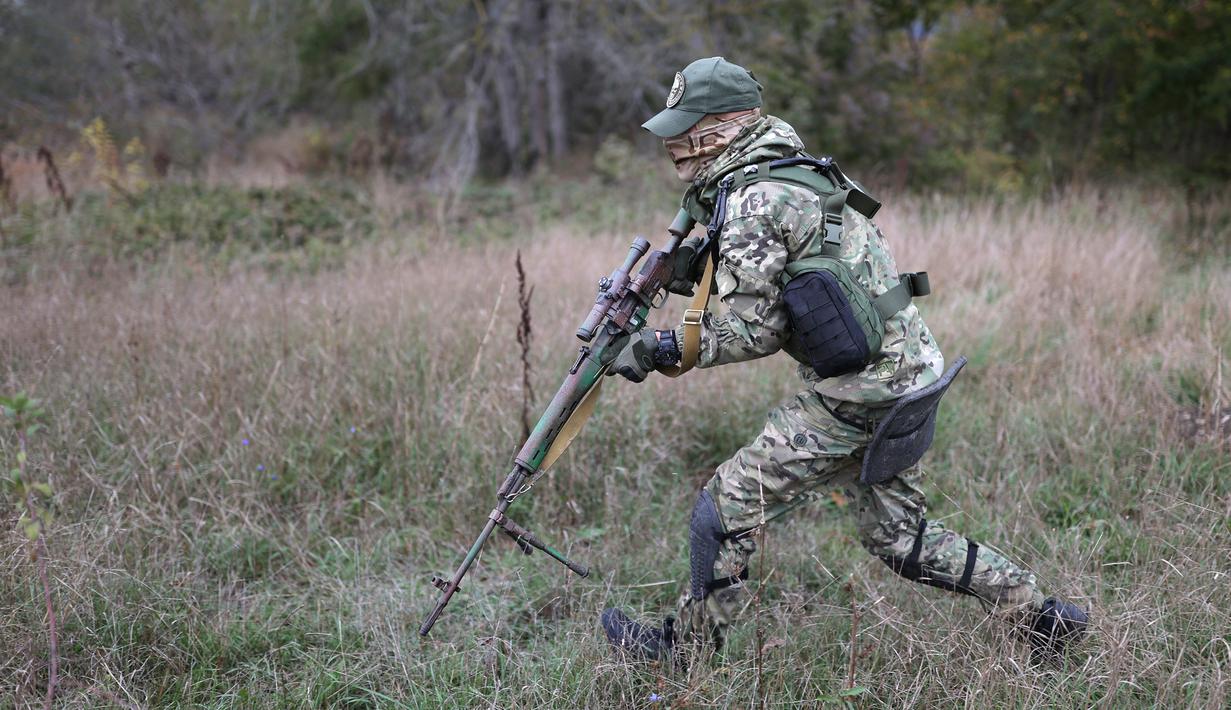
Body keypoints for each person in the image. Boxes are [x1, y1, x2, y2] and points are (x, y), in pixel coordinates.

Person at [600, 57, 1087, 665]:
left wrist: (659, 349)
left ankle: (686, 655)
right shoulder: (798, 171)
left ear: (722, 126)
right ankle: (1042, 616)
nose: (674, 145)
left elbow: (758, 328)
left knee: (724, 506)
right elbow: (782, 271)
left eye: (686, 128)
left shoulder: (755, 195)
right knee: (899, 537)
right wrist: (686, 272)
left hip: (859, 394)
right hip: (910, 377)